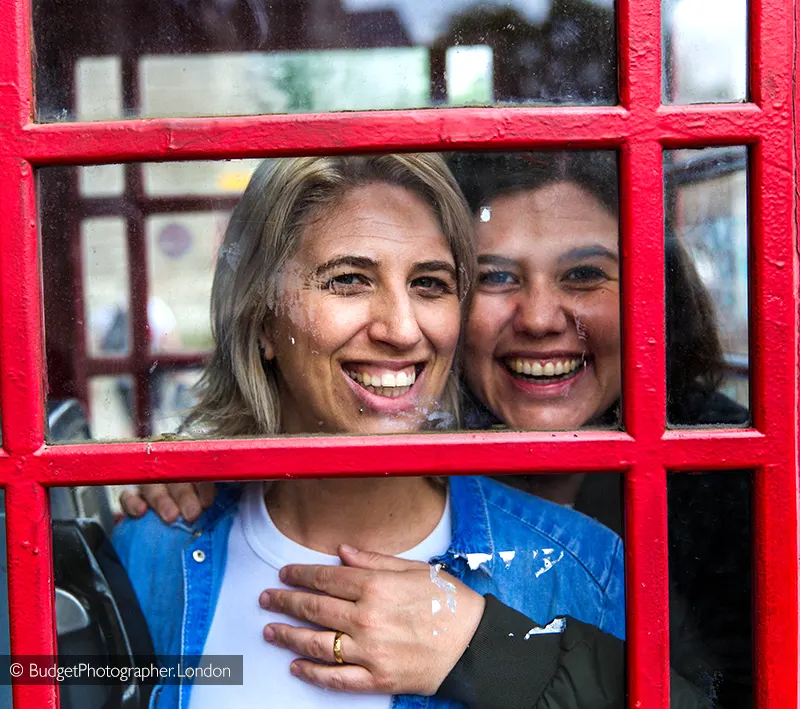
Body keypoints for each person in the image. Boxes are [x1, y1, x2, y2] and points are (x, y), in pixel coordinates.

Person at [123, 151, 747, 708]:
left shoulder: (591, 560)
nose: (400, 329)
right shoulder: (159, 546)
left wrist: (491, 651)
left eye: (429, 283)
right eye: (348, 280)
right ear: (261, 319)